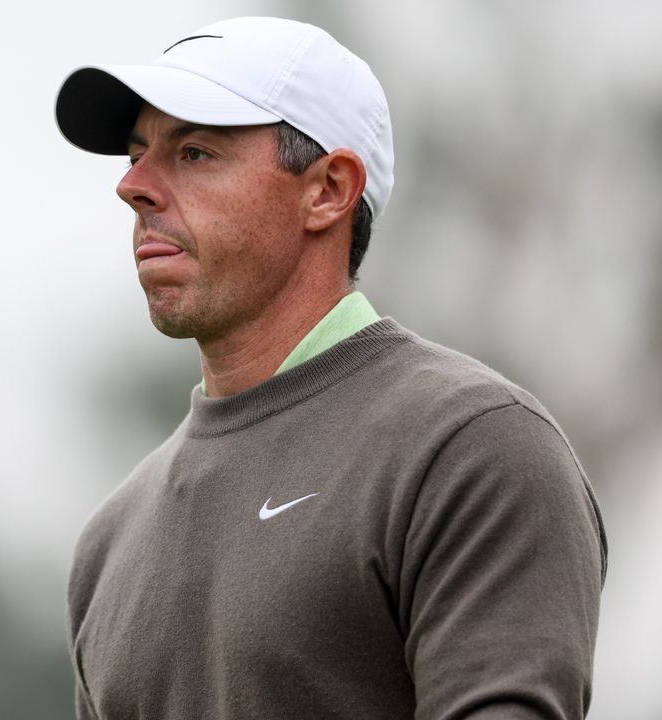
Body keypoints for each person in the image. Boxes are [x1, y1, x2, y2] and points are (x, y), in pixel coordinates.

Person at [54, 16, 607, 720]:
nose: (133, 186)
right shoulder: (109, 542)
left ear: (328, 190)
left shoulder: (470, 448)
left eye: (194, 153)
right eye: (135, 155)